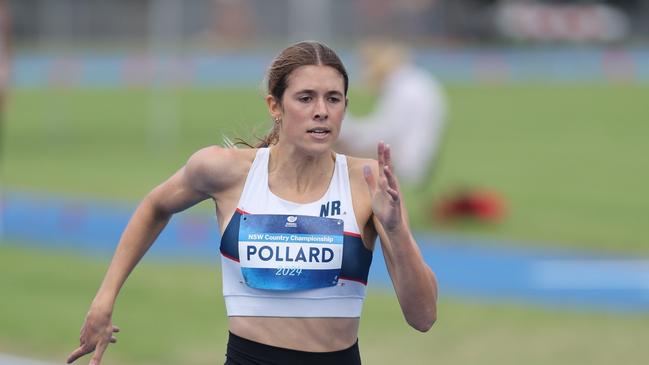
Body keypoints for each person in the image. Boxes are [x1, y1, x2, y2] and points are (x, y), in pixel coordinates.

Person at [67, 41, 438, 365]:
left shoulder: (369, 182)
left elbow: (423, 317)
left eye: (333, 99)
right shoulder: (226, 172)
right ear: (275, 106)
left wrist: (395, 230)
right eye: (306, 98)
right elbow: (155, 206)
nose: (321, 110)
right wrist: (105, 297)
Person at [336, 40, 447, 188]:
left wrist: (345, 129)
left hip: (406, 161)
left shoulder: (403, 88)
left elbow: (384, 135)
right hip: (415, 155)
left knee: (331, 144)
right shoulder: (413, 81)